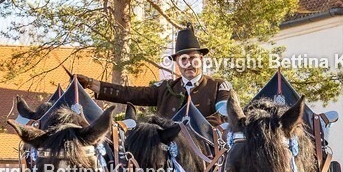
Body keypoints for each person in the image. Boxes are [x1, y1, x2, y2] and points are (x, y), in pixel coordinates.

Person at [77, 24, 232, 122]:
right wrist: (90, 83)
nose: (189, 64)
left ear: (201, 58)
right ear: (177, 62)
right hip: (165, 158)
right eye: (183, 60)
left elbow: (224, 118)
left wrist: (188, 129)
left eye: (193, 59)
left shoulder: (217, 87)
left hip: (207, 159)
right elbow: (129, 93)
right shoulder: (166, 89)